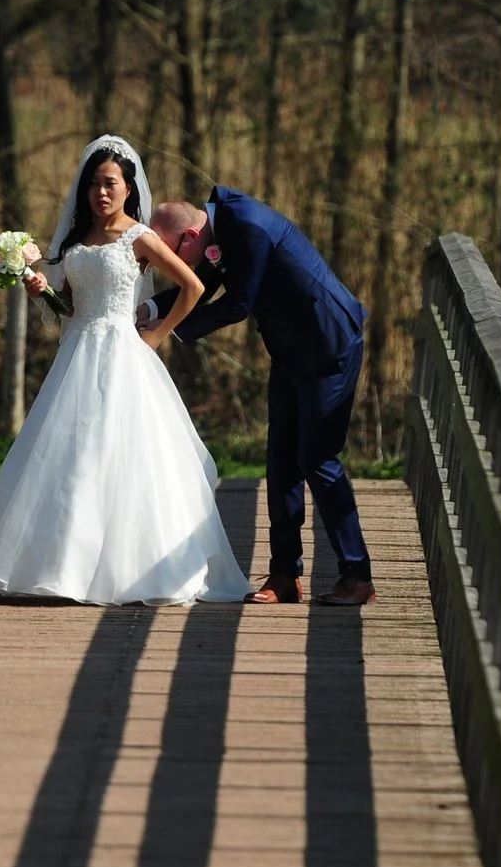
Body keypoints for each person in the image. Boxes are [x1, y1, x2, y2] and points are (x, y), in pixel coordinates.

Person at [0, 136, 250, 605]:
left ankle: (128, 569)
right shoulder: (76, 240)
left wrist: (157, 334)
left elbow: (192, 285)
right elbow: (70, 306)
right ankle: (60, 568)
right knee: (71, 457)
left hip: (123, 355)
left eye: (110, 184)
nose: (100, 193)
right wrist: (42, 290)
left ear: (129, 188)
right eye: (93, 184)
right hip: (77, 355)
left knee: (123, 457)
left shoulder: (139, 237)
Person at [142, 188, 375, 606]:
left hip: (328, 344)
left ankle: (357, 576)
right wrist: (145, 311)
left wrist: (167, 333)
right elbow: (201, 285)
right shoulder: (218, 231)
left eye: (171, 255)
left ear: (191, 237)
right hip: (289, 350)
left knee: (317, 460)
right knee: (281, 461)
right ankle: (285, 574)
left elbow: (237, 304)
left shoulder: (246, 227)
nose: (171, 266)